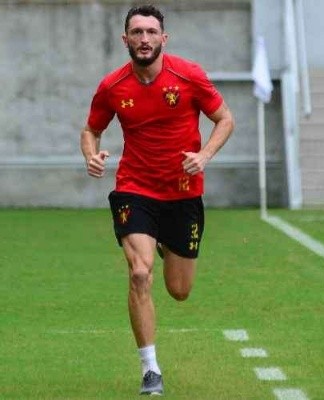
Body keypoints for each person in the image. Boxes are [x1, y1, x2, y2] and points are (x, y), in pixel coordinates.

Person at [80, 4, 235, 396]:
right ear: (125, 39)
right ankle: (150, 369)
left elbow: (225, 119)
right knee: (139, 273)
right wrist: (91, 155)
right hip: (135, 188)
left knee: (179, 291)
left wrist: (204, 156)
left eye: (151, 32)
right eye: (137, 32)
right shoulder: (112, 86)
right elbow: (91, 129)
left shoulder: (189, 75)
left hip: (183, 193)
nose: (144, 39)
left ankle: (165, 242)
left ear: (163, 38)